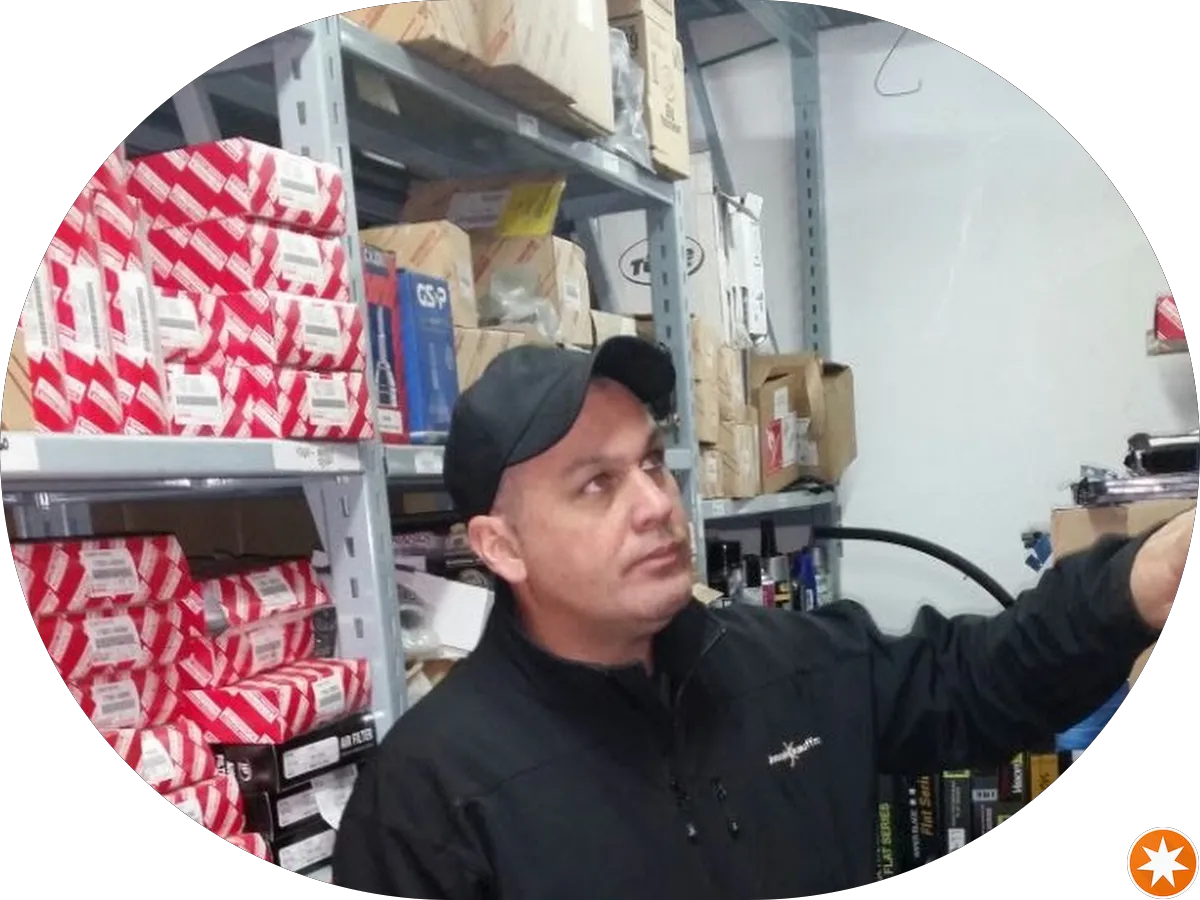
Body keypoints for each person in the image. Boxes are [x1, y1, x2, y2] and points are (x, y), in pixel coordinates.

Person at [332, 336, 1191, 899]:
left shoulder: (784, 663)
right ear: (502, 546)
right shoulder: (426, 801)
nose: (656, 505)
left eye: (652, 466)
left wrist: (1140, 583)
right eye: (597, 485)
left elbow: (977, 679)